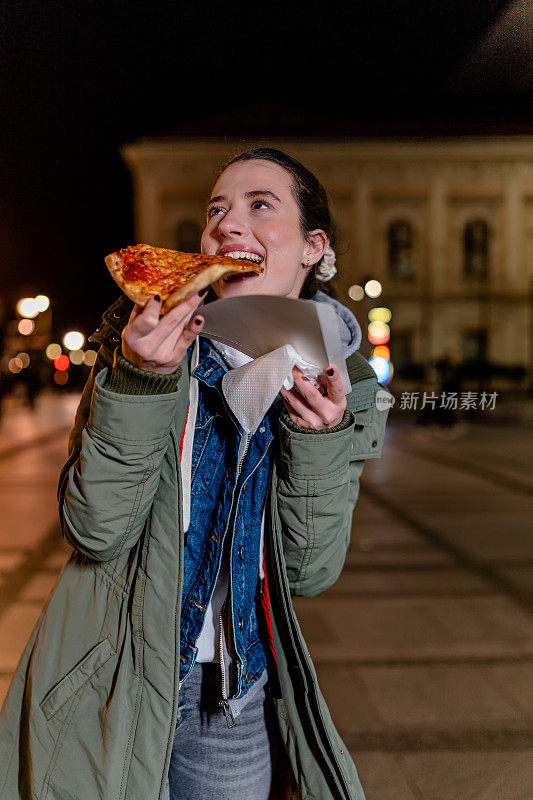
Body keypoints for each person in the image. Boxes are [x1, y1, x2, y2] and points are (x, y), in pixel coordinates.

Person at [0, 147, 391, 800]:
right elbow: (95, 530)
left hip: (232, 703)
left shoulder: (338, 385)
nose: (226, 225)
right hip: (113, 680)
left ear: (311, 246)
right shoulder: (140, 351)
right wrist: (141, 381)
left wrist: (316, 441)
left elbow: (309, 572)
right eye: (216, 211)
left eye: (259, 206)